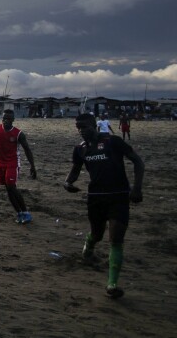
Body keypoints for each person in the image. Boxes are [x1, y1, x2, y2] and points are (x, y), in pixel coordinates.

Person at [63, 113, 144, 299]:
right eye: (78, 128)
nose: (82, 131)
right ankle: (89, 246)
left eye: (85, 126)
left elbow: (138, 162)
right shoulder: (80, 149)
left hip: (118, 197)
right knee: (98, 234)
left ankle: (112, 284)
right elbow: (75, 170)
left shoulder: (113, 142)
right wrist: (67, 183)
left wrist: (137, 188)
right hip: (96, 198)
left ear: (95, 125)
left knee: (115, 239)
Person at [0, 109, 38, 224]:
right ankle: (19, 213)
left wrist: (32, 166)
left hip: (13, 163)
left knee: (11, 186)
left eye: (9, 119)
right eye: (4, 118)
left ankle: (26, 213)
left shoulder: (19, 134)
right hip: (0, 162)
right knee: (8, 189)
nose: (6, 121)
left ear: (13, 120)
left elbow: (27, 150)